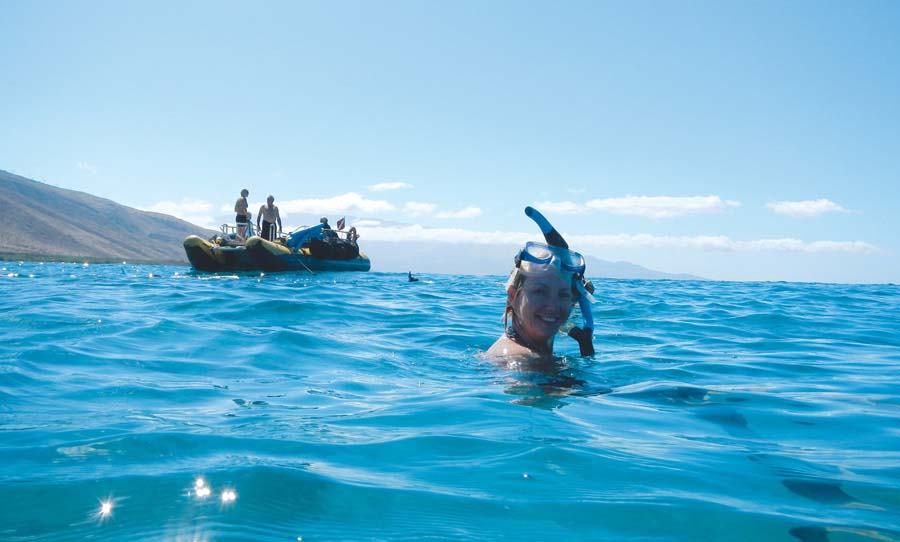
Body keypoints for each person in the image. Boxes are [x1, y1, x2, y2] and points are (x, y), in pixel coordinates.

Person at [486, 207, 595, 360]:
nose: (552, 307)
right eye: (540, 292)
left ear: (573, 302)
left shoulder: (531, 353)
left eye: (563, 295)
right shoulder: (522, 360)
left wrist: (585, 345)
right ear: (513, 296)